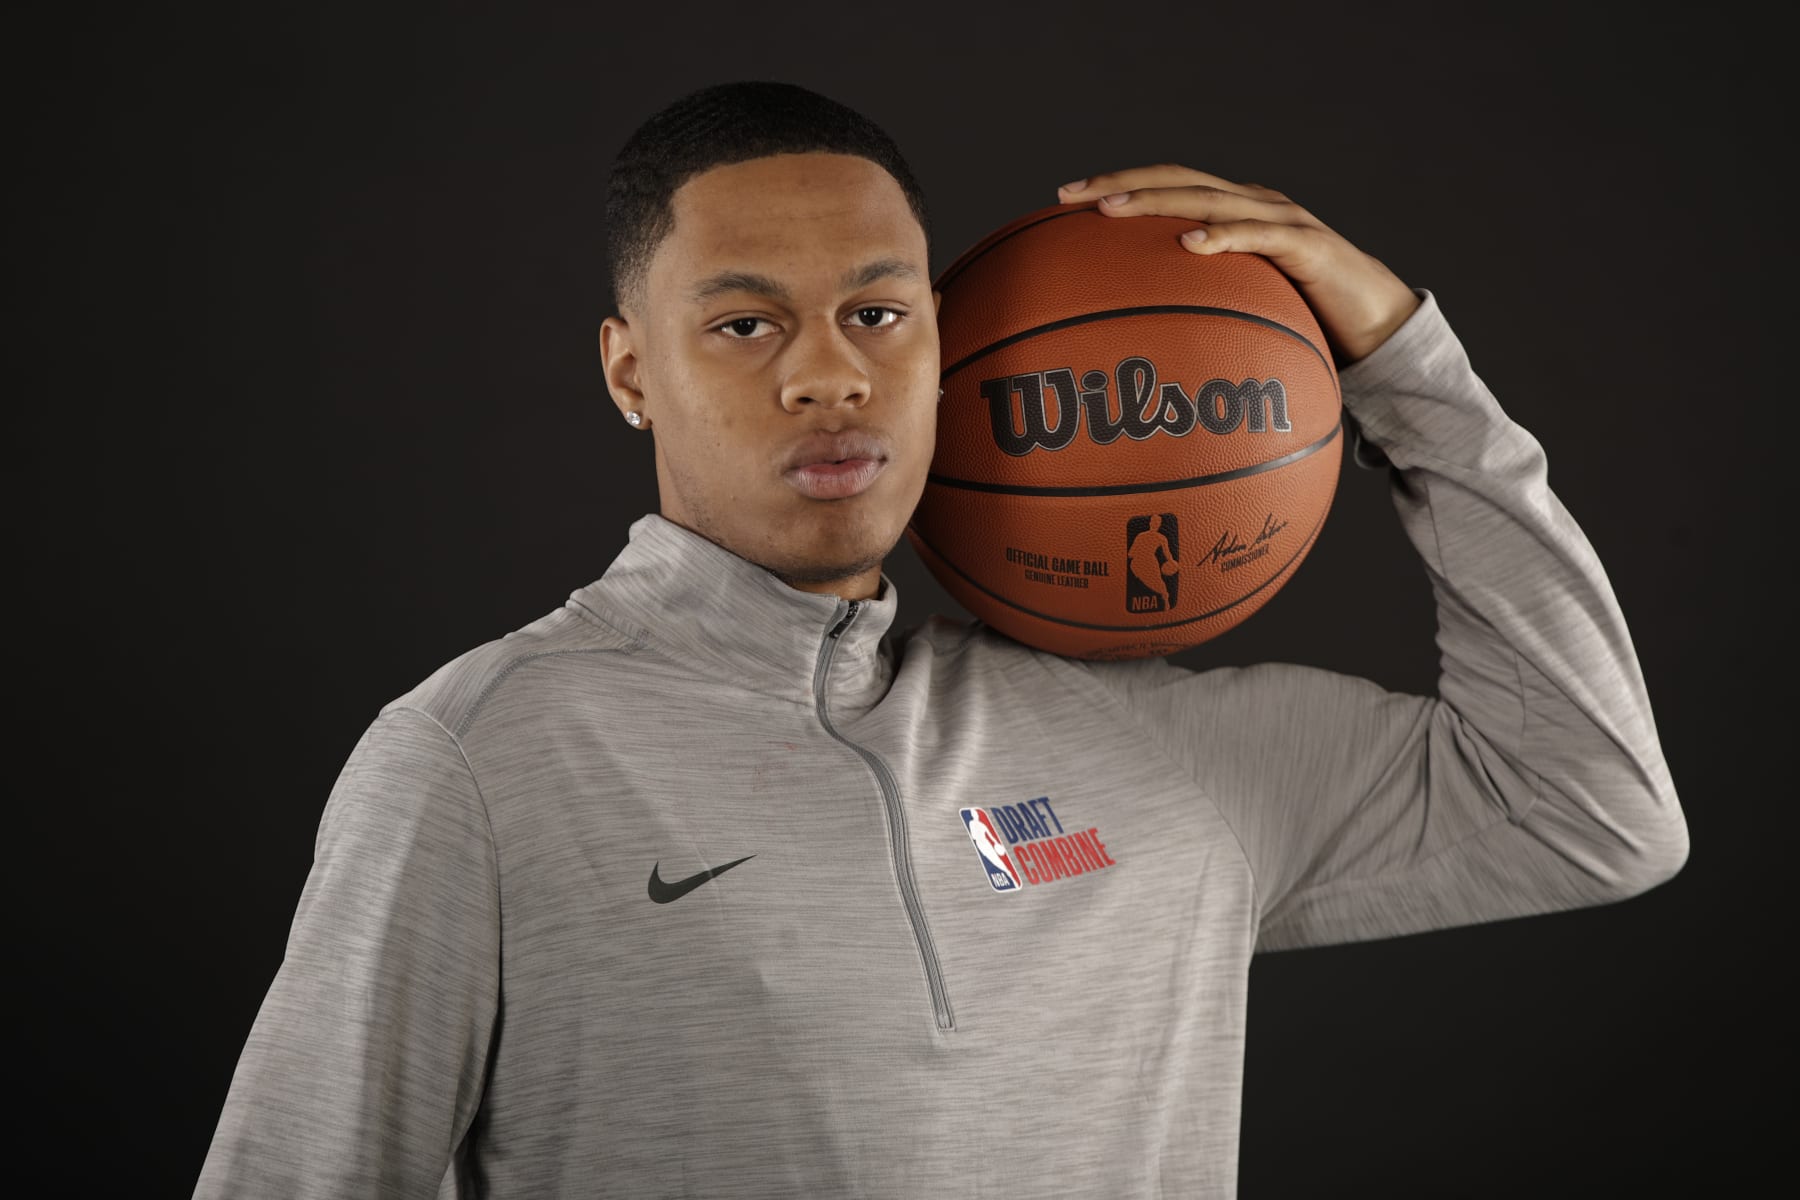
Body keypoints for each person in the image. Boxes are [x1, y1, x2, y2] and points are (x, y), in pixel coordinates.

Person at [193, 80, 1689, 1198]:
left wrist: (1404, 368)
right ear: (629, 370)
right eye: (744, 326)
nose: (828, 376)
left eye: (878, 312)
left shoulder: (1162, 752)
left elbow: (1594, 810)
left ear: (944, 348)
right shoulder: (480, 762)